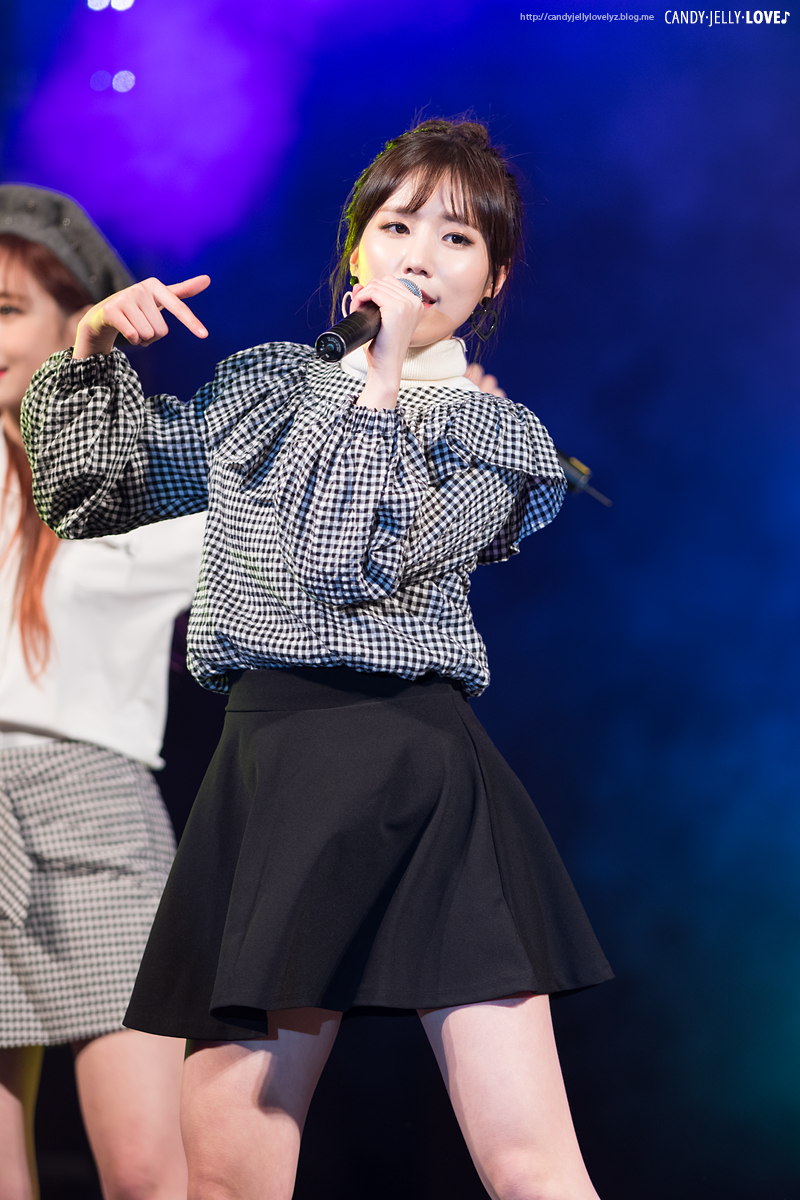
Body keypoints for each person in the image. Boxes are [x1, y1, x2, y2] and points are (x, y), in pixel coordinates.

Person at [23, 121, 614, 1200]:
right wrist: (92, 349)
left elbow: (345, 560)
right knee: (227, 1168)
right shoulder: (266, 391)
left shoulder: (495, 441)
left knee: (529, 1162)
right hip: (270, 765)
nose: (419, 256)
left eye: (457, 239)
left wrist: (379, 379)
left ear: (492, 281)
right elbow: (89, 496)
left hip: (410, 764)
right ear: (355, 250)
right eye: (397, 226)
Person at [0, 185, 203, 1200]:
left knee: (149, 1173)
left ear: (77, 320)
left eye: (6, 309)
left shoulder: (141, 477)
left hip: (101, 812)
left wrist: (424, 405)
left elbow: (295, 528)